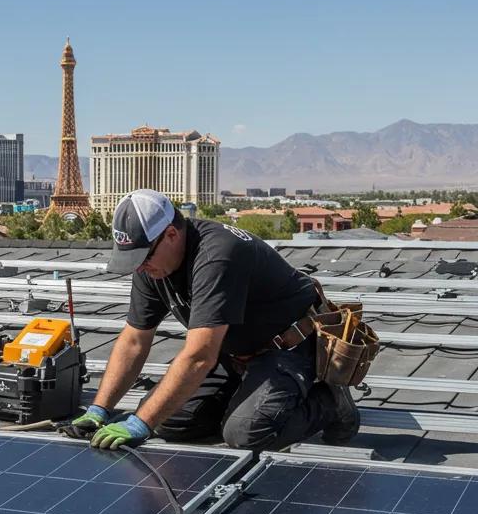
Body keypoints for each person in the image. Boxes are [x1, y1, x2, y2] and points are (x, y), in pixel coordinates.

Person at [65, 189, 359, 452]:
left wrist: (141, 425)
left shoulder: (216, 255)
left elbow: (199, 357)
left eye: (143, 257)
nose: (139, 267)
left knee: (246, 434)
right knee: (168, 421)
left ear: (171, 234)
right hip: (233, 352)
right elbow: (133, 342)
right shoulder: (152, 267)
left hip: (291, 348)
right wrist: (99, 410)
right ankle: (244, 401)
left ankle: (330, 404)